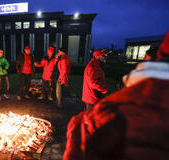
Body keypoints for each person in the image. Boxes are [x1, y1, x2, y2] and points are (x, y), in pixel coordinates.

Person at [64, 32, 169, 160]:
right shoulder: (94, 66)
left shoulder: (96, 65)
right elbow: (94, 82)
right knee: (90, 117)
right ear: (98, 56)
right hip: (92, 97)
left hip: (92, 97)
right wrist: (105, 89)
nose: (105, 57)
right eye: (104, 55)